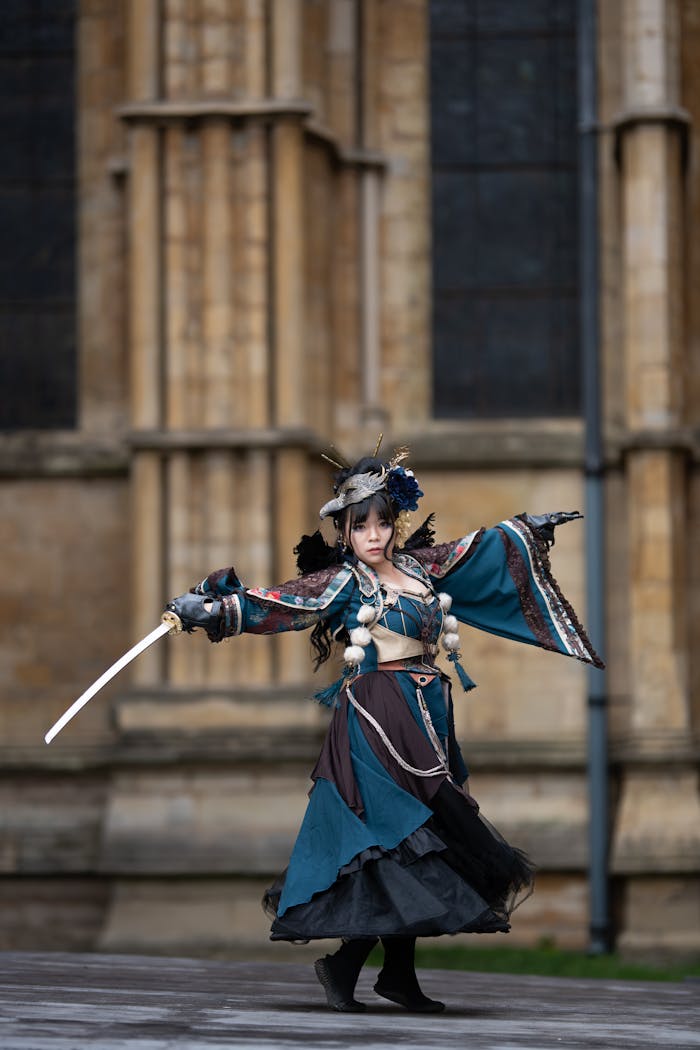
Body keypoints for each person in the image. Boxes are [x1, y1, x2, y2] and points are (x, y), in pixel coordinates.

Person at [166, 443, 602, 1013]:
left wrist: (527, 529)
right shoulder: (345, 582)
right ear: (344, 532)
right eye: (359, 526)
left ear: (395, 523)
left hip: (426, 714)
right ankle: (351, 966)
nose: (373, 535)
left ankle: (395, 976)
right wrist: (215, 611)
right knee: (398, 838)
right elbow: (282, 604)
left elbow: (475, 549)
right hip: (376, 718)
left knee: (425, 839)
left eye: (381, 522)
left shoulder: (419, 569)